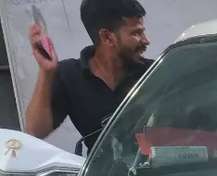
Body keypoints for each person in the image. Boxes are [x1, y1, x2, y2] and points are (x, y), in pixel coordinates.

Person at [25, 0, 150, 151]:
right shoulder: (69, 75)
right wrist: (46, 72)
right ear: (107, 37)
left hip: (158, 170)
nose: (146, 40)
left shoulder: (155, 72)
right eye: (136, 33)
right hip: (102, 174)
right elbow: (36, 131)